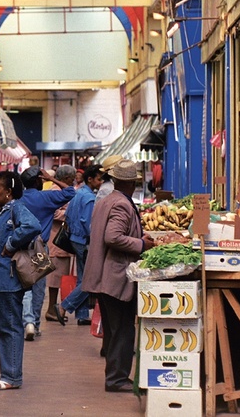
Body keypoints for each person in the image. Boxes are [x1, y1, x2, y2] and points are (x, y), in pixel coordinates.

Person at [81, 160, 154, 392]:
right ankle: (117, 379)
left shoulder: (106, 201)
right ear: (131, 183)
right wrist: (141, 243)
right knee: (123, 329)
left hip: (104, 275)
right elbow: (112, 237)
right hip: (115, 275)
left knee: (114, 330)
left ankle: (114, 375)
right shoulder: (122, 204)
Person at [0, 171, 41, 391]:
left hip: (8, 278)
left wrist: (11, 244)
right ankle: (7, 372)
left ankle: (12, 376)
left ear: (9, 192)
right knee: (2, 327)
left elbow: (32, 226)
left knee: (11, 326)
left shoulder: (16, 208)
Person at [19, 166, 75, 340]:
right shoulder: (46, 197)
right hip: (40, 249)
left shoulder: (18, 199)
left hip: (21, 247)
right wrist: (51, 179)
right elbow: (70, 191)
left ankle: (27, 321)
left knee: (24, 286)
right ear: (39, 180)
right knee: (38, 288)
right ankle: (34, 323)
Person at [56, 164, 104, 326]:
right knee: (90, 280)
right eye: (99, 179)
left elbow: (68, 215)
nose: (101, 182)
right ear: (90, 179)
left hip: (75, 239)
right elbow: (88, 224)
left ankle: (82, 315)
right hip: (84, 241)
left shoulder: (78, 193)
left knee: (83, 277)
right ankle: (64, 306)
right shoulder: (89, 198)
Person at [44, 164, 77, 323]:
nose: (73, 182)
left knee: (59, 275)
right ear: (65, 178)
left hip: (60, 239)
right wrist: (69, 213)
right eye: (72, 179)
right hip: (56, 239)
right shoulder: (55, 191)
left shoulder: (59, 189)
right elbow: (55, 212)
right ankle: (51, 309)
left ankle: (53, 307)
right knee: (54, 277)